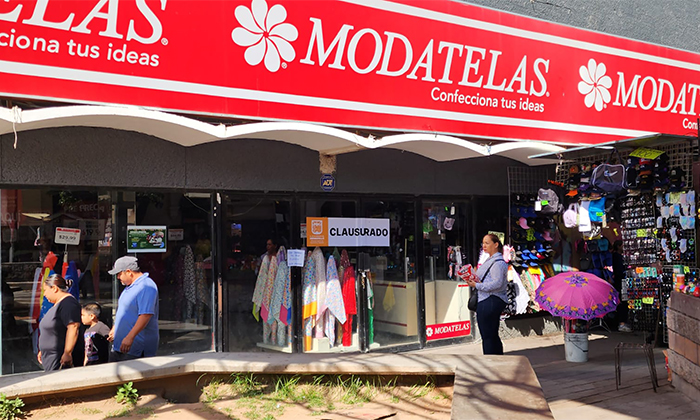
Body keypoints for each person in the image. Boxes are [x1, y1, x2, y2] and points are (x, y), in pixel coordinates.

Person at [107, 256, 159, 362]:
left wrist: (130, 337)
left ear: (129, 272)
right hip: (120, 346)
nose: (118, 277)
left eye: (119, 274)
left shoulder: (146, 286)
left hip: (136, 348)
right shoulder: (130, 286)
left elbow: (145, 315)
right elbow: (125, 310)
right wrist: (116, 327)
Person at [465, 234, 508, 355]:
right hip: (488, 299)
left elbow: (497, 283)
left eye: (487, 243)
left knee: (488, 335)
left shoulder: (497, 263)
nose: (484, 246)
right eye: (483, 243)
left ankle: (491, 359)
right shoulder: (490, 260)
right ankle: (497, 358)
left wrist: (477, 285)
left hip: (490, 299)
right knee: (491, 334)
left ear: (496, 244)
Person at [38, 274, 81, 371]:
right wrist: (44, 350)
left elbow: (73, 327)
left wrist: (67, 352)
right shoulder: (57, 305)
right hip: (50, 357)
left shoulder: (68, 303)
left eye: (45, 290)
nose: (44, 294)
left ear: (54, 288)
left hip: (59, 358)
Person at [611, 240, 632, 332]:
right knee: (622, 302)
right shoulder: (616, 257)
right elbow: (619, 271)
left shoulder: (618, 256)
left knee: (623, 301)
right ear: (619, 246)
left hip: (621, 281)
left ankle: (622, 322)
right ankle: (621, 323)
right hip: (620, 282)